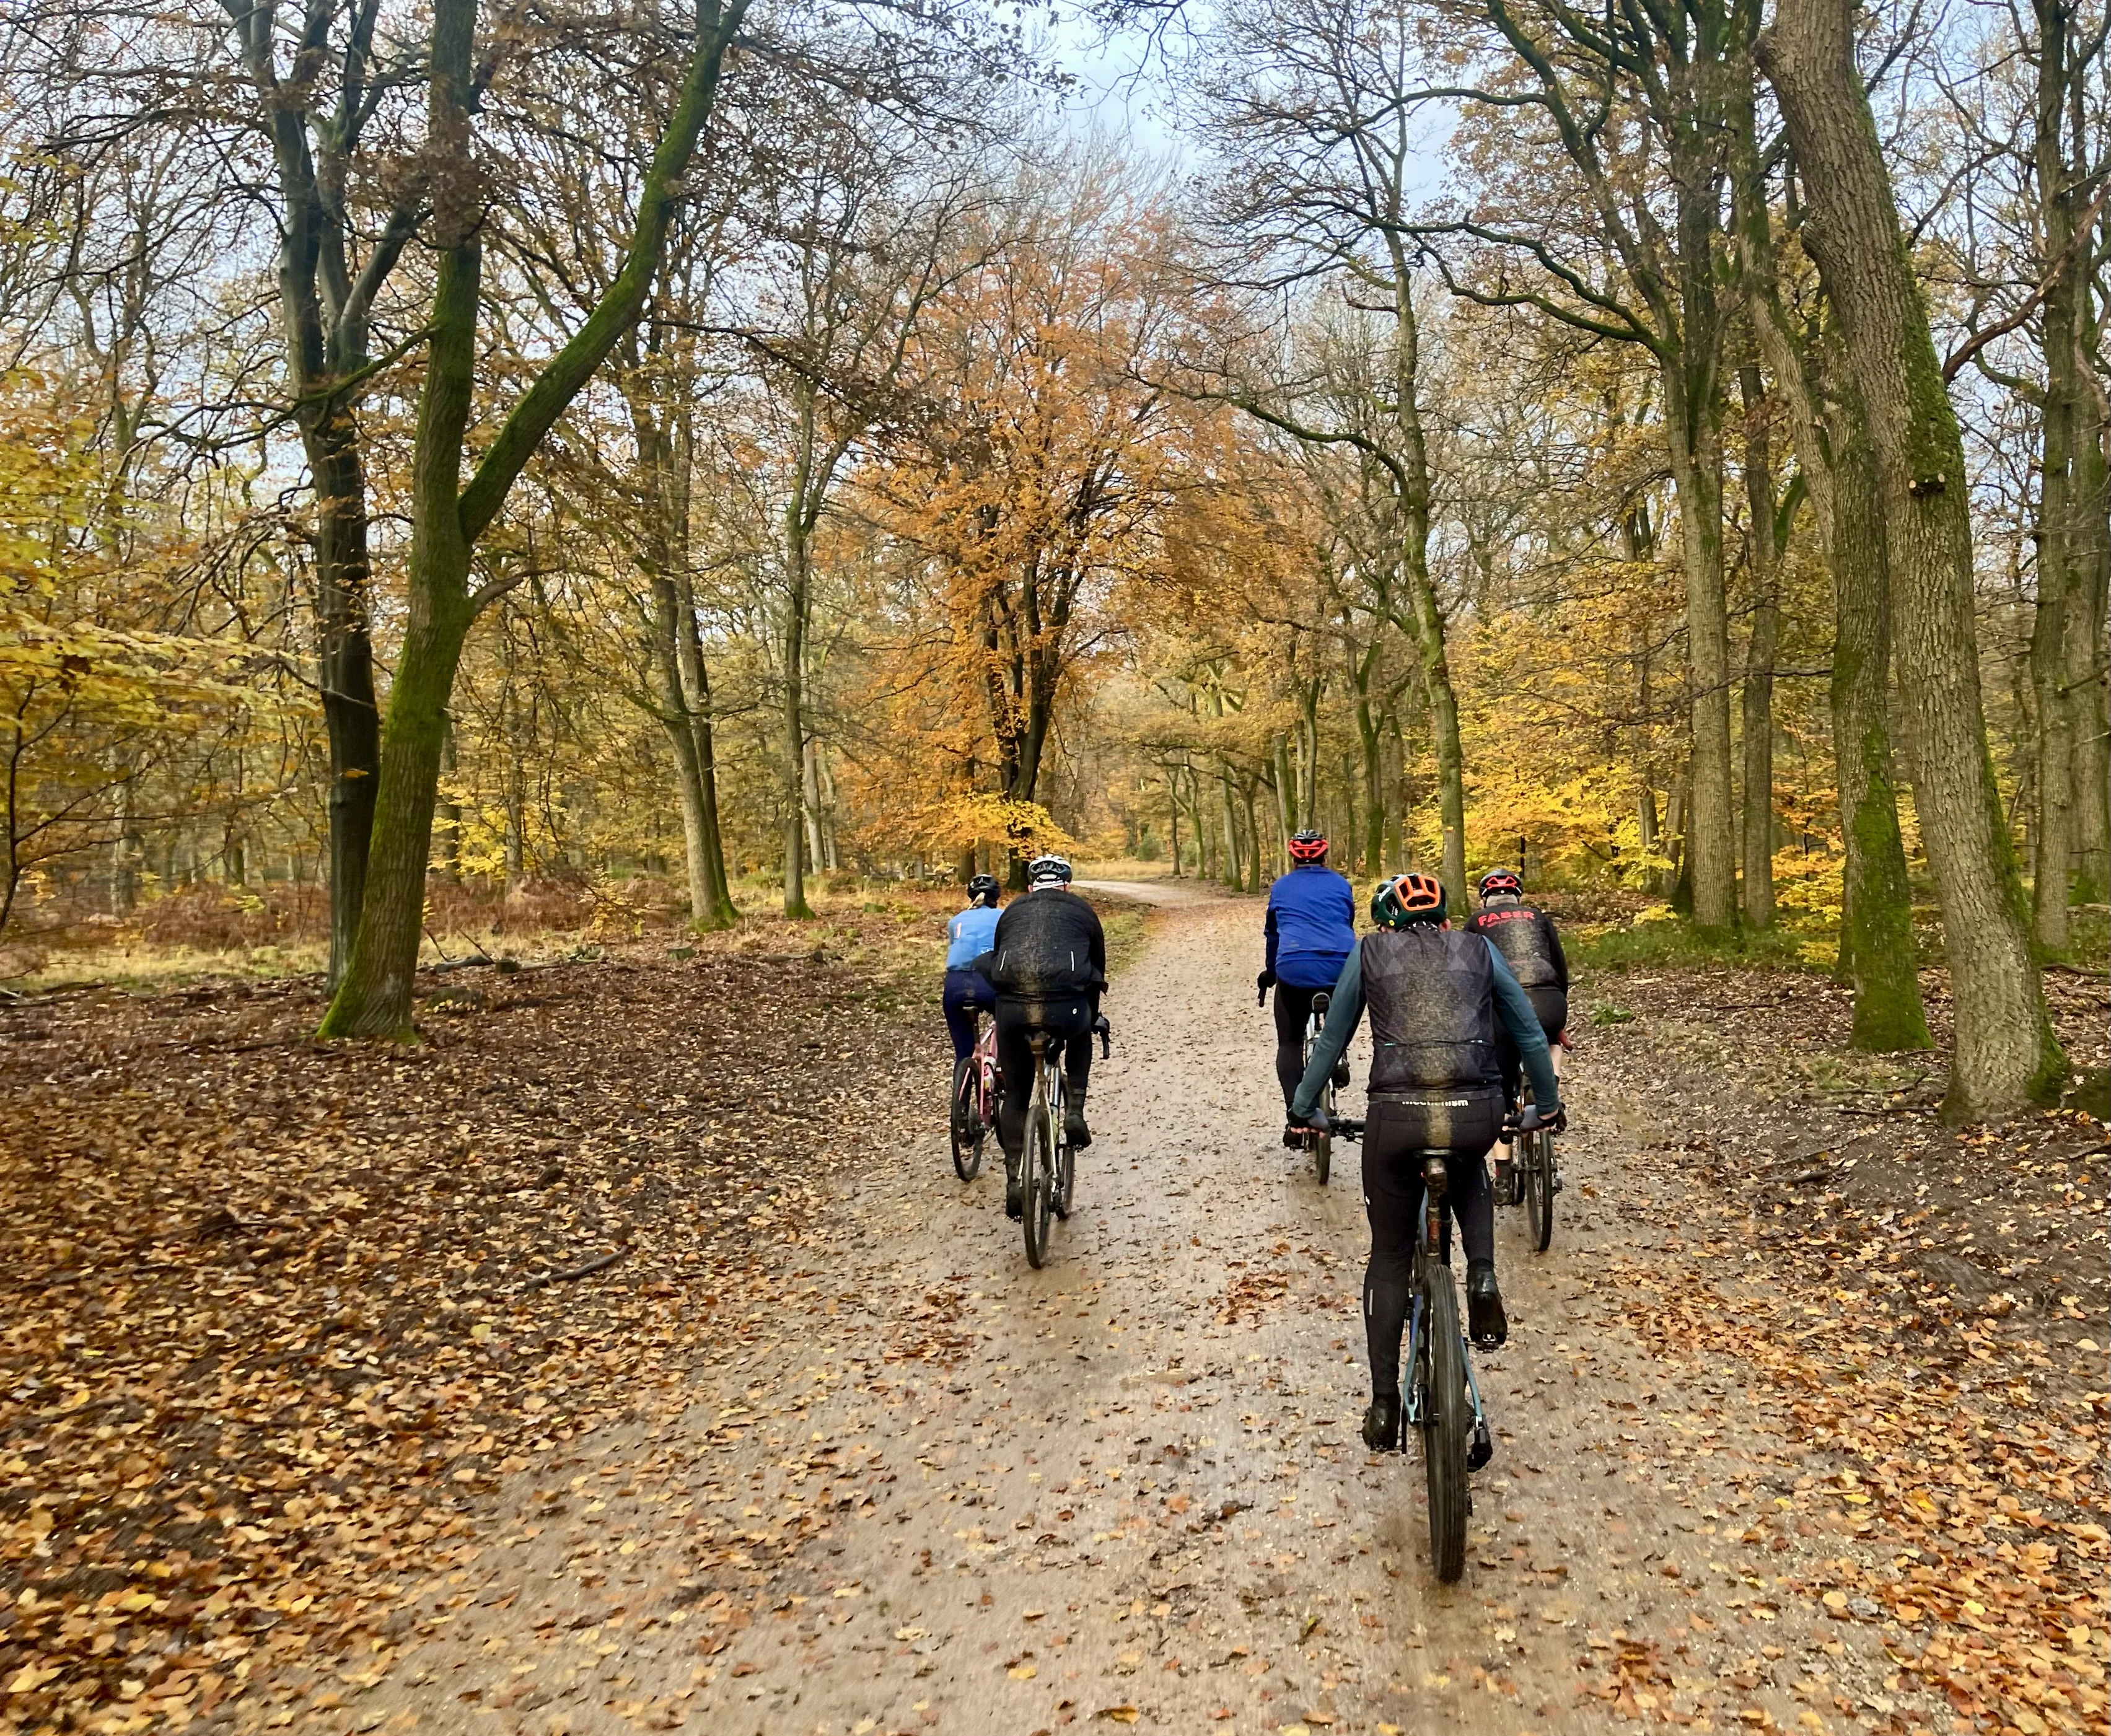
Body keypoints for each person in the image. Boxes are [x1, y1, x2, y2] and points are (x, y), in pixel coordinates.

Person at [1289, 872, 1563, 1452]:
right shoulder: (1480, 947)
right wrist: (1546, 1103)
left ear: (1386, 919)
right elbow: (1531, 1037)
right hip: (1475, 1108)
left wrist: (1302, 1106)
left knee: (1388, 1256)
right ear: (1443, 915)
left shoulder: (1369, 951)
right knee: (1468, 1164)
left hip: (1396, 1113)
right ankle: (1482, 1274)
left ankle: (1385, 1404)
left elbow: (1332, 1038)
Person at [973, 855, 1107, 1219]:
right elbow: (1097, 971)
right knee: (1082, 1034)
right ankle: (1075, 1110)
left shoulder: (1012, 911)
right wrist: (1092, 1016)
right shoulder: (1082, 910)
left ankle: (1015, 1179)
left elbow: (999, 956)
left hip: (1013, 1011)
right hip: (1066, 1008)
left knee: (1015, 1093)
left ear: (1031, 887)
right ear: (1066, 885)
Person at [1257, 829, 1358, 1148]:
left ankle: (1296, 1119)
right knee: (1345, 1013)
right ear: (1325, 857)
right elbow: (1347, 924)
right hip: (1342, 966)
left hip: (1294, 966)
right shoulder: (1341, 884)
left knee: (1289, 1042)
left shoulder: (1282, 886)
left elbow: (1273, 935)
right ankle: (1337, 1054)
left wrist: (1271, 972)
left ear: (1293, 858)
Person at [1464, 869, 1569, 1107]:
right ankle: (1545, 1080)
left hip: (1501, 1010)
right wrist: (1558, 1020)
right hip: (1548, 1001)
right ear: (1518, 898)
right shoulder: (1538, 917)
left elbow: (1468, 974)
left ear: (1484, 900)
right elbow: (1560, 968)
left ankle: (1505, 1122)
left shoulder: (1475, 921)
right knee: (1551, 1040)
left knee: (1500, 1088)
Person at [942, 874, 1003, 1095]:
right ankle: (1002, 1070)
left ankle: (961, 1117)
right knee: (1010, 1024)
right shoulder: (1004, 917)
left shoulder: (956, 920)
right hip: (988, 981)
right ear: (996, 897)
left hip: (955, 985)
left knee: (963, 1054)